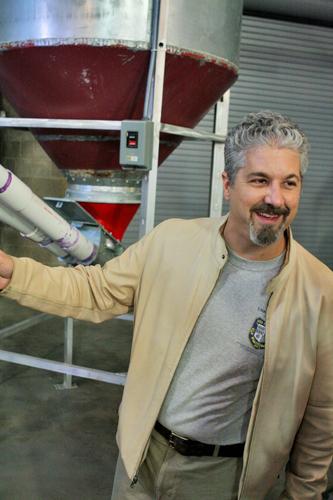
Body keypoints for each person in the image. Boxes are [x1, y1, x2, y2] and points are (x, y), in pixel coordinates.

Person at [0, 111, 332, 500]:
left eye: (288, 183)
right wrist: (13, 273)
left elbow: (322, 415)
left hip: (223, 479)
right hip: (141, 459)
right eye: (259, 180)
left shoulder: (320, 291)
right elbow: (97, 289)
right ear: (228, 184)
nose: (275, 199)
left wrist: (303, 494)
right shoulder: (171, 242)